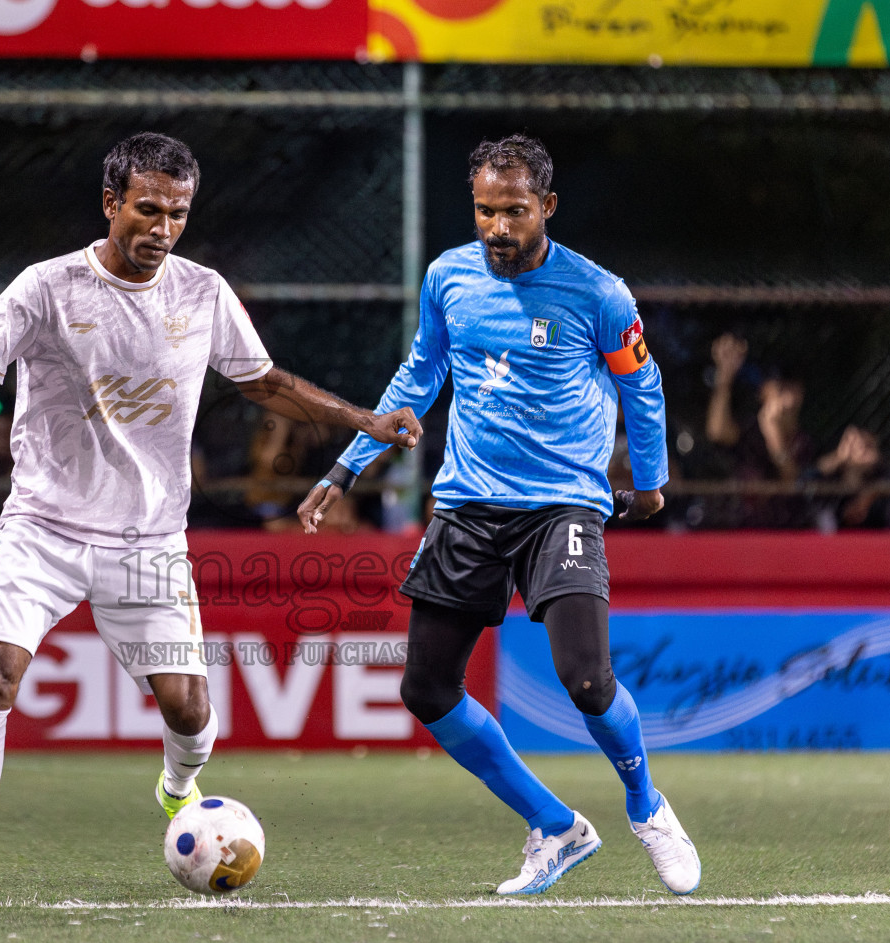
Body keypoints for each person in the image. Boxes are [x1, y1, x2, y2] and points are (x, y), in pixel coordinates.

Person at [0, 133, 420, 911]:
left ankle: (177, 784)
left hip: (150, 539)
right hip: (45, 529)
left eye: (178, 214)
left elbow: (265, 384)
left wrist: (365, 418)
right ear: (110, 203)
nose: (162, 228)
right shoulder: (45, 288)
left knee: (189, 710)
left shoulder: (202, 292)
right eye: (148, 209)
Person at [299, 134, 700, 896]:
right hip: (468, 505)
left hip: (563, 506)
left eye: (514, 211)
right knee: (426, 687)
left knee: (586, 679)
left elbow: (641, 392)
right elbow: (420, 374)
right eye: (485, 210)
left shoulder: (598, 294)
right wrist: (347, 465)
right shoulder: (448, 277)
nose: (498, 228)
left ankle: (646, 805)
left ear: (546, 207)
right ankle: (554, 826)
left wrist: (650, 484)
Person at [705, 333, 815, 528]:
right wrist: (725, 377)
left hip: (785, 529)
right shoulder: (750, 429)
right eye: (780, 388)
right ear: (762, 394)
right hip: (743, 526)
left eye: (791, 388)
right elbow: (718, 432)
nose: (786, 397)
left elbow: (791, 480)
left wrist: (772, 431)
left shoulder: (803, 440)